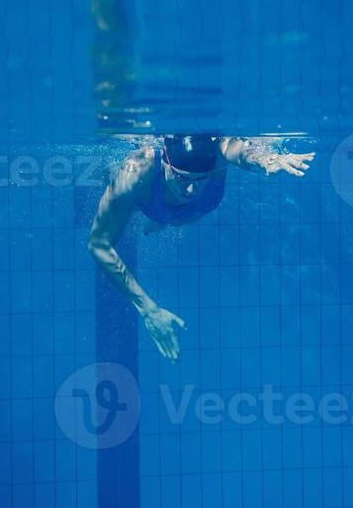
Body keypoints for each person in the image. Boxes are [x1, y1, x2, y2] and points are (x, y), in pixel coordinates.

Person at [88, 135, 315, 360]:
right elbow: (98, 244)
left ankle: (161, 221)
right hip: (149, 201)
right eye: (182, 178)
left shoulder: (217, 152)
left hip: (182, 214)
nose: (191, 190)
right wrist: (148, 308)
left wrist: (268, 160)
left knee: (168, 220)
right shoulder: (136, 172)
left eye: (200, 180)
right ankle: (154, 217)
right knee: (120, 187)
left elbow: (242, 151)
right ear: (166, 163)